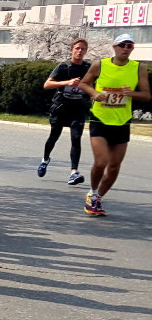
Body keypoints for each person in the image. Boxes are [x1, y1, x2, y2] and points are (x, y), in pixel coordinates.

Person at [78, 33, 150, 217]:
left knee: (115, 166)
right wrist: (94, 93)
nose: (126, 48)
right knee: (101, 162)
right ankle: (92, 193)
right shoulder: (100, 65)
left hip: (122, 121)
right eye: (123, 45)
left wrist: (131, 93)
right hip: (100, 119)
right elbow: (84, 84)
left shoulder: (138, 68)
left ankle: (98, 198)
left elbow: (146, 95)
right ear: (115, 47)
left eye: (130, 46)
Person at [40, 38, 92, 184]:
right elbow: (47, 84)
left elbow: (94, 84)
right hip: (61, 106)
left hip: (78, 107)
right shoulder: (64, 67)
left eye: (83, 49)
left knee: (76, 138)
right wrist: (67, 83)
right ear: (72, 50)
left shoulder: (88, 68)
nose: (80, 51)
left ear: (86, 51)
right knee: (54, 136)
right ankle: (45, 159)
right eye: (77, 48)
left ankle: (74, 172)